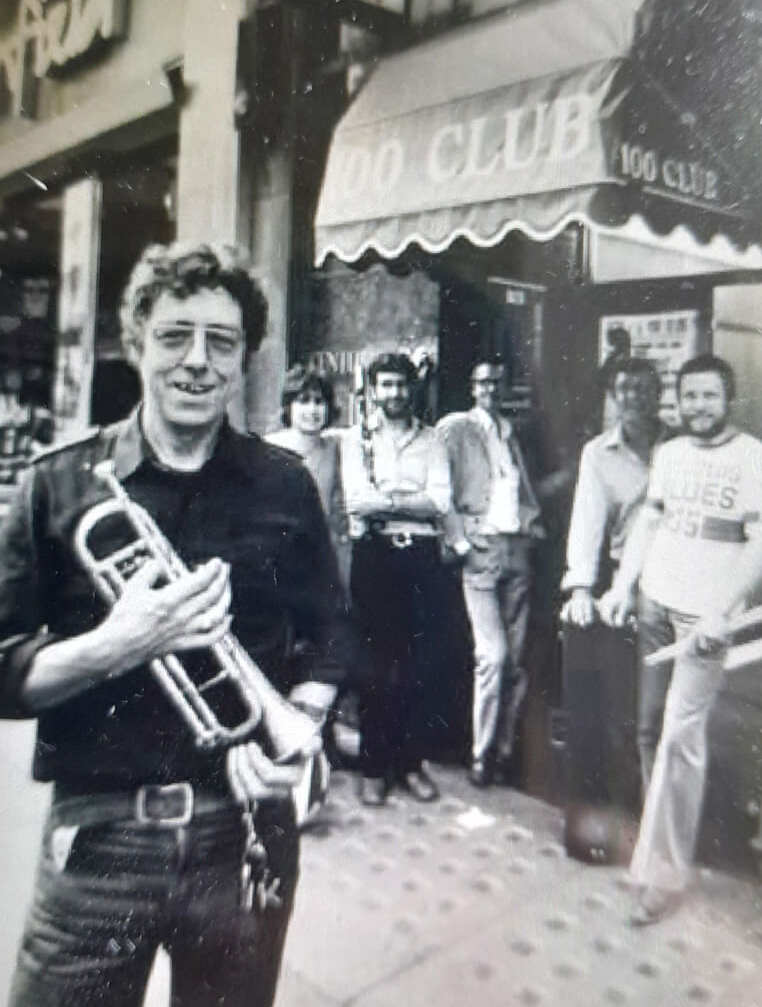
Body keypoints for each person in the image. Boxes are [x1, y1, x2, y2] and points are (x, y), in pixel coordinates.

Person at [0, 241, 353, 1007]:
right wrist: (120, 643)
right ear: (136, 345)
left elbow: (330, 634)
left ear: (244, 359)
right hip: (98, 848)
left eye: (221, 343)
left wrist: (301, 723)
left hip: (245, 833)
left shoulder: (285, 485)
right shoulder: (55, 484)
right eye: (174, 337)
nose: (197, 361)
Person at [599, 354, 762, 925]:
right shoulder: (670, 453)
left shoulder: (757, 460)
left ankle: (662, 873)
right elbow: (650, 521)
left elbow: (761, 544)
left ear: (729, 399)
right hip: (657, 603)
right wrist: (624, 587)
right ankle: (665, 851)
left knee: (681, 735)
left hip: (706, 622)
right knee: (652, 730)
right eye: (690, 396)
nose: (699, 406)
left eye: (709, 396)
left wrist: (723, 612)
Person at [558, 358, 667, 835]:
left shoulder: (681, 445)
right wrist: (582, 586)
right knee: (621, 704)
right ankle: (621, 815)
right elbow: (587, 522)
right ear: (613, 397)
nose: (635, 398)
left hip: (679, 578)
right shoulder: (598, 453)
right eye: (625, 390)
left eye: (645, 389)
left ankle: (660, 812)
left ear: (660, 394)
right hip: (628, 582)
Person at [341, 351, 451, 807]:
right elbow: (356, 501)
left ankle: (410, 764)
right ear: (373, 391)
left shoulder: (434, 440)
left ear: (414, 388)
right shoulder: (356, 440)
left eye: (402, 385)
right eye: (386, 385)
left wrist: (386, 503)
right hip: (375, 558)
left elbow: (439, 502)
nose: (395, 394)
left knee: (419, 664)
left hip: (422, 557)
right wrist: (408, 499)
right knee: (374, 663)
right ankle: (373, 766)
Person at [437, 362, 543, 788]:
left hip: (516, 549)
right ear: (471, 386)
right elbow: (438, 490)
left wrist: (531, 530)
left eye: (496, 384)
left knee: (516, 663)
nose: (489, 390)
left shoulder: (510, 432)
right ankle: (480, 754)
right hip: (481, 553)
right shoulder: (456, 428)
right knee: (492, 657)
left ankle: (502, 752)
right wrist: (460, 541)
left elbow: (522, 489)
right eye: (481, 382)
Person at [266, 365, 350, 586]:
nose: (312, 409)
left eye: (319, 401)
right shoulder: (268, 448)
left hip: (320, 551)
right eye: (303, 401)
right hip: (277, 550)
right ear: (288, 406)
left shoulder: (335, 446)